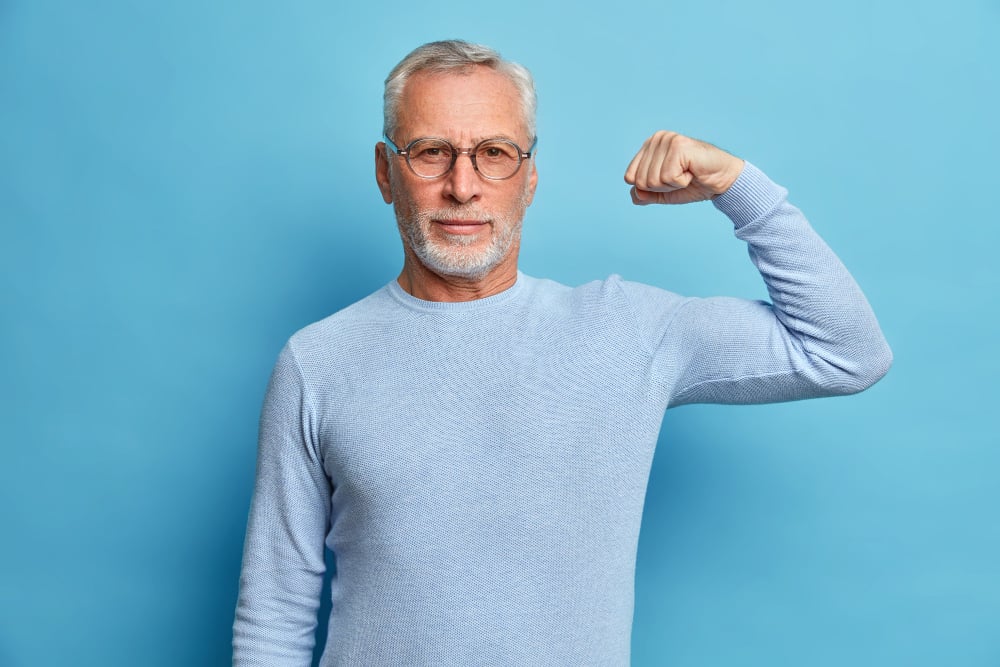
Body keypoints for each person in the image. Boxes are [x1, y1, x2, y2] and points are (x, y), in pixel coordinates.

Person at [232, 39, 891, 666]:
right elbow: (274, 612)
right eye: (430, 152)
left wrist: (739, 187)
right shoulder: (316, 360)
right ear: (385, 172)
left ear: (530, 175)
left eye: (494, 152)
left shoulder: (626, 330)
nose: (463, 186)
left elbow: (847, 350)